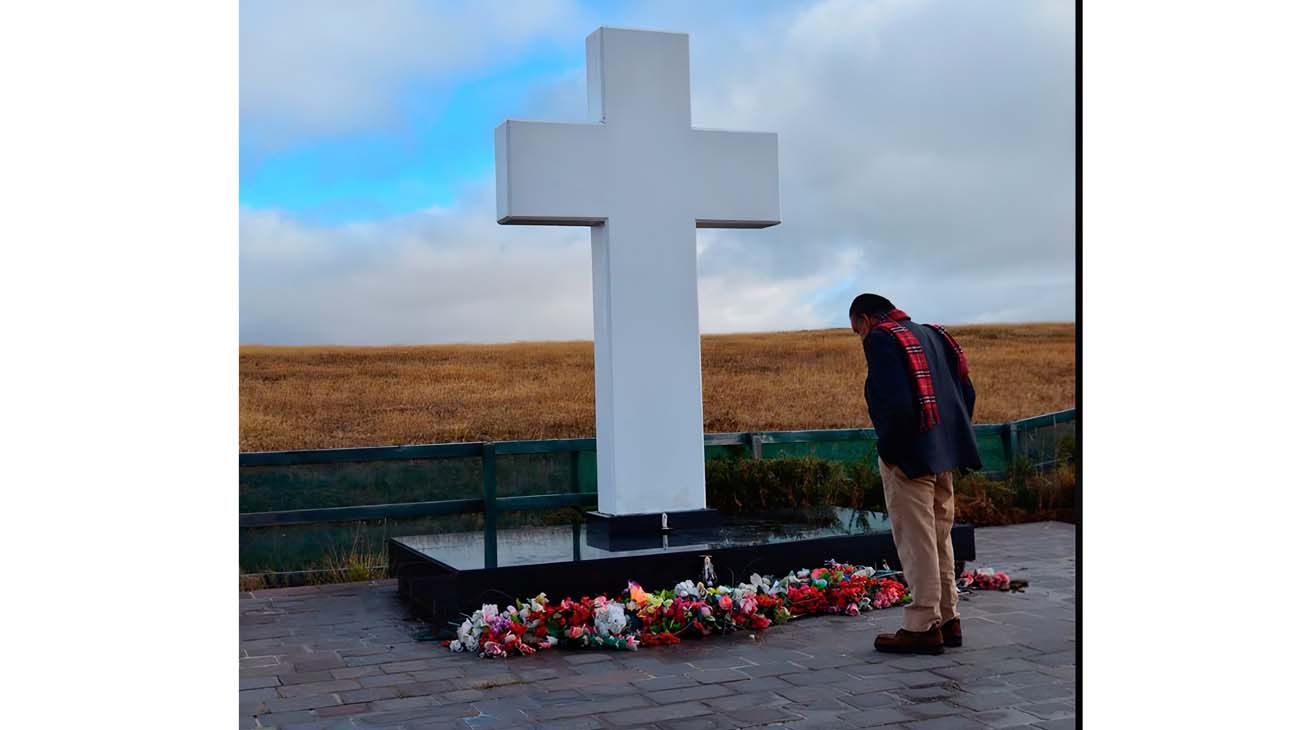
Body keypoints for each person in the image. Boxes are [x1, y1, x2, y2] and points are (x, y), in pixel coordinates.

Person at [849, 293, 981, 655]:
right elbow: (966, 391)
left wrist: (891, 451)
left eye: (855, 329)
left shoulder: (881, 337)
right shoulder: (934, 334)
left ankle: (922, 626)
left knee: (916, 538)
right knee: (940, 536)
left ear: (864, 319)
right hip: (944, 452)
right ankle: (948, 618)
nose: (858, 336)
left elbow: (893, 402)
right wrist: (947, 437)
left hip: (909, 456)